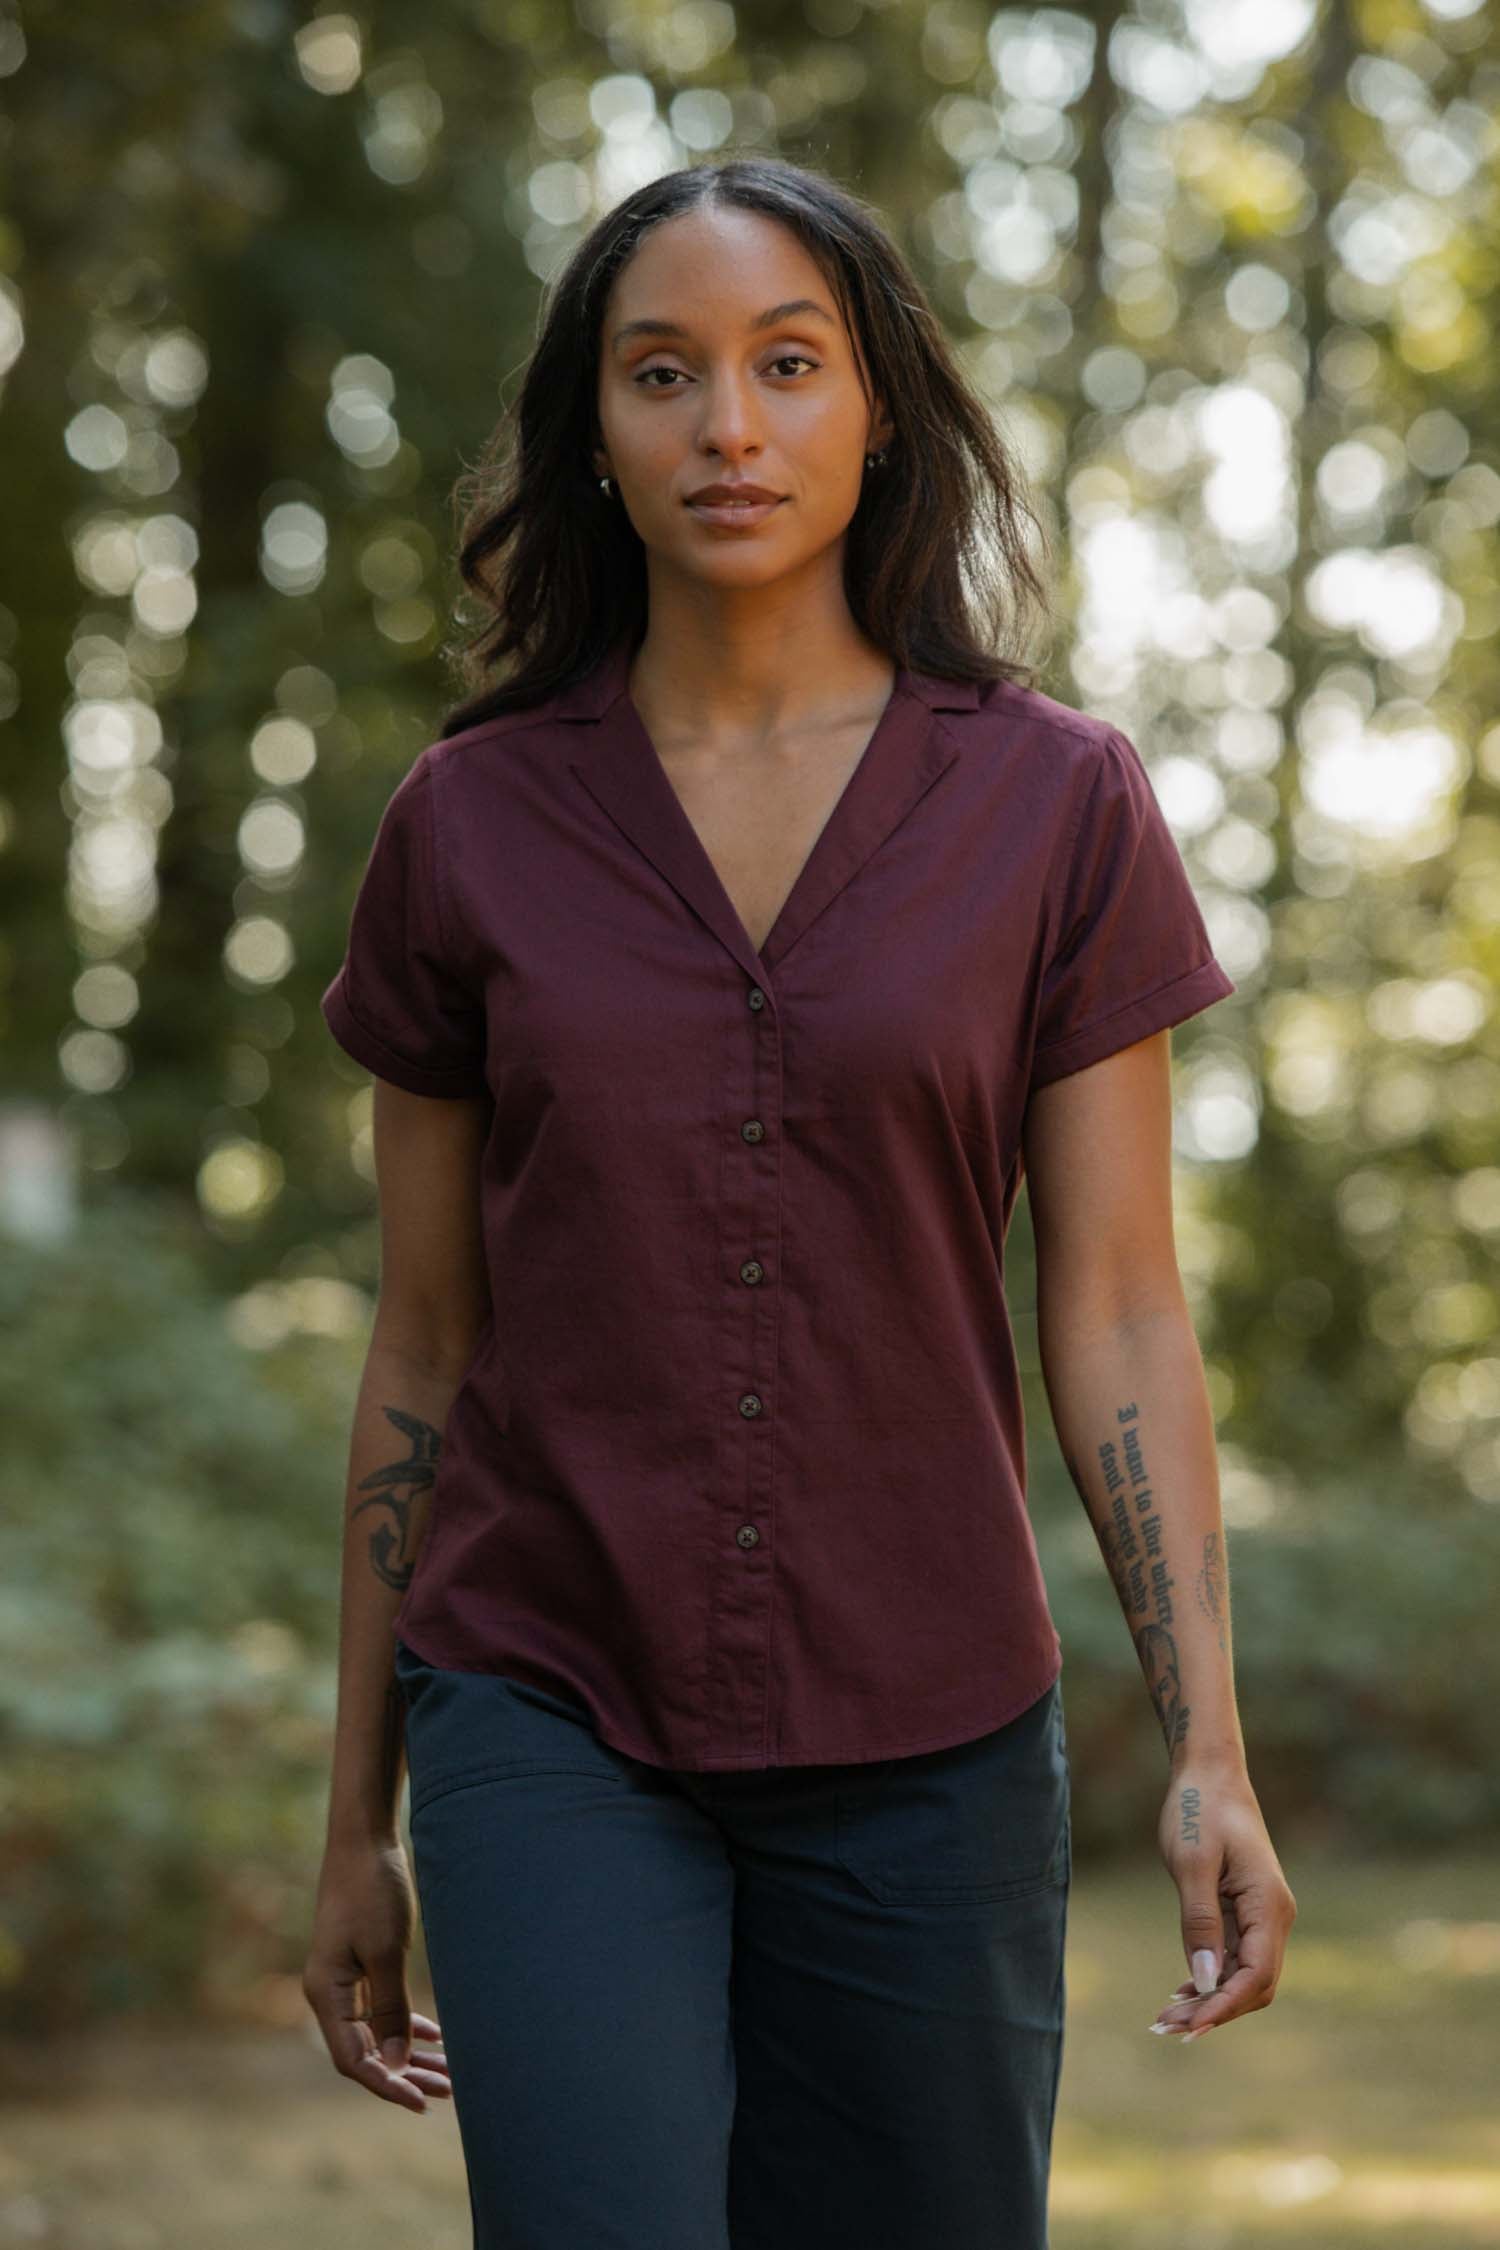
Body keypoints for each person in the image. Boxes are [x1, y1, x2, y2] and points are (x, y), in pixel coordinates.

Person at [302, 153, 1296, 2249]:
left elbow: (1118, 1306)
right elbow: (425, 1339)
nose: (727, 427)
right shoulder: (470, 826)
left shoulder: (1054, 804)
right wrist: (352, 1824)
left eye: (786, 365)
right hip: (546, 1697)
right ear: (596, 425)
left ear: (878, 408)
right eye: (663, 373)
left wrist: (1207, 1747)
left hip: (933, 1719)